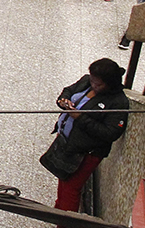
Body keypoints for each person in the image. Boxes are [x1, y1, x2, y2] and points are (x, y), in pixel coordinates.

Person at [50, 59, 129, 216]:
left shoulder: (119, 103)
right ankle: (58, 213)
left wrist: (79, 117)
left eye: (98, 84)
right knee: (63, 181)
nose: (93, 85)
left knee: (71, 189)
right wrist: (63, 100)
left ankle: (65, 220)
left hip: (86, 154)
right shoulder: (87, 81)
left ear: (110, 83)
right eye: (93, 81)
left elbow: (110, 133)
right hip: (68, 144)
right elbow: (68, 90)